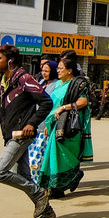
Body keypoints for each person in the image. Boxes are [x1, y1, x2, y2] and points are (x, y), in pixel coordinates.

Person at [0, 44, 55, 218]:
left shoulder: (24, 79)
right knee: (23, 175)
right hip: (11, 133)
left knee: (0, 172)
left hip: (21, 135)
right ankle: (49, 215)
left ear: (10, 60)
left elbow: (46, 102)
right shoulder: (6, 80)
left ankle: (40, 194)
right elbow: (10, 110)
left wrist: (32, 123)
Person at [39, 54, 93, 199]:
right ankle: (56, 187)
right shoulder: (57, 84)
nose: (58, 71)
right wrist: (49, 123)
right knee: (53, 155)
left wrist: (64, 108)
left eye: (61, 68)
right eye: (57, 68)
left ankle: (69, 179)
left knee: (65, 155)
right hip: (54, 124)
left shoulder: (77, 84)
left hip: (69, 126)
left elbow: (83, 102)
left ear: (69, 70)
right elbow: (52, 106)